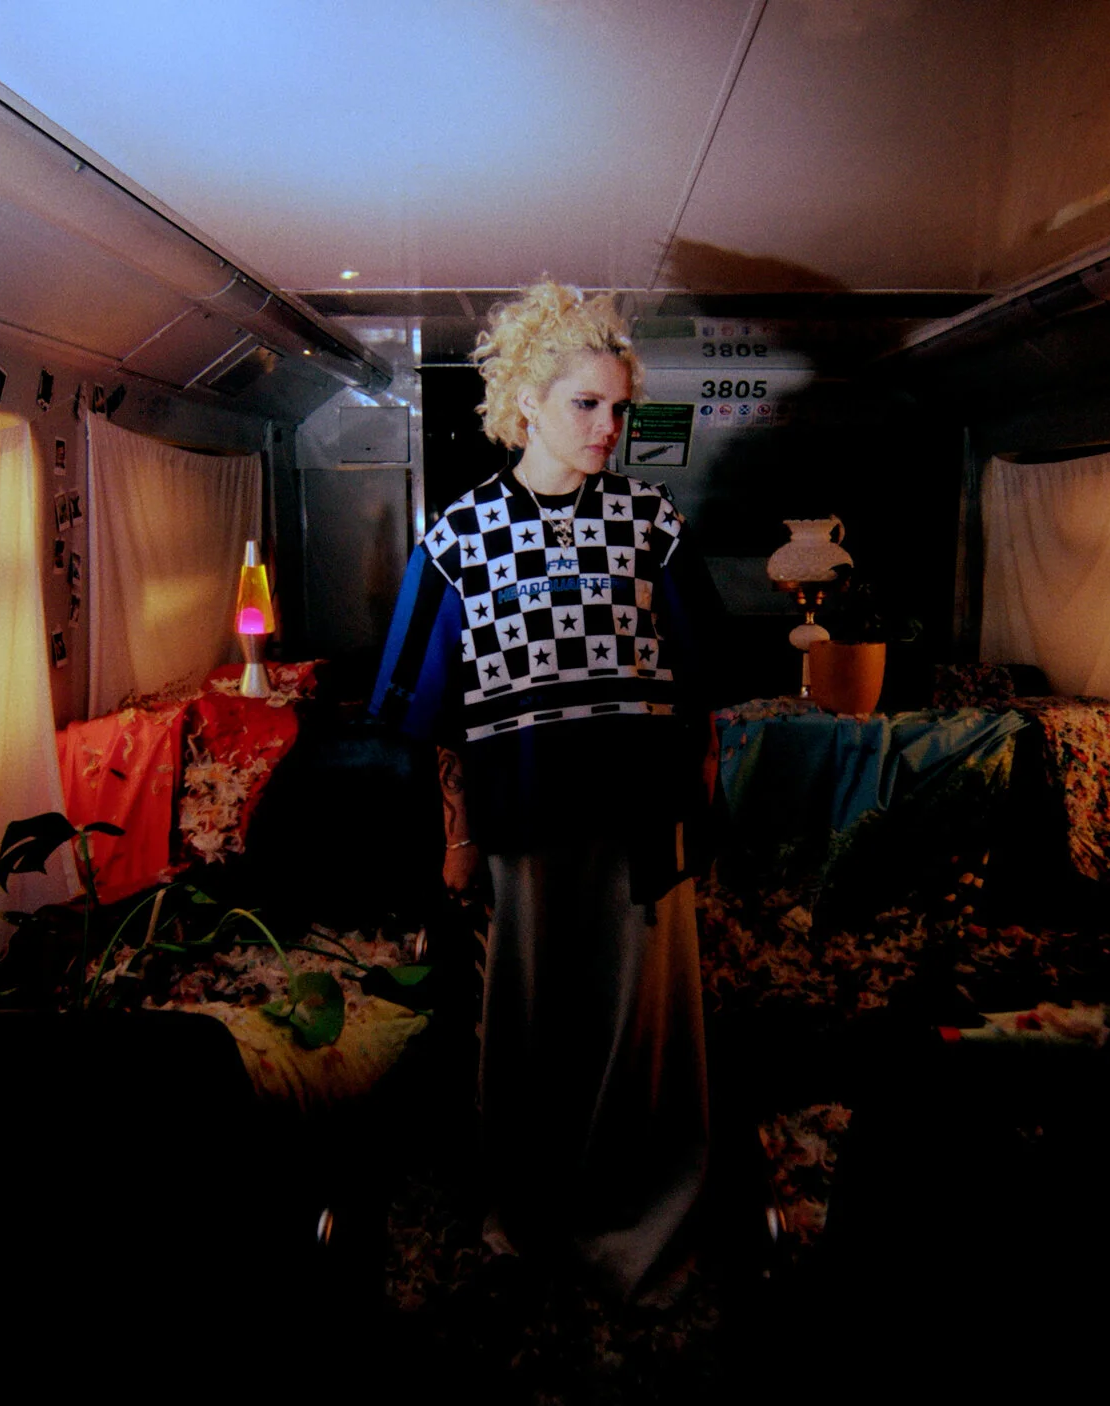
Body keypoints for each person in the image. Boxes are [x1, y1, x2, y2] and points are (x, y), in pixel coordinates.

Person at [371, 281, 723, 1298]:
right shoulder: (459, 538)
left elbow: (700, 690)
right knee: (531, 1032)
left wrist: (700, 811)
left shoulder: (652, 523)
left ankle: (641, 1228)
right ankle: (533, 1223)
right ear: (526, 401)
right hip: (523, 821)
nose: (609, 426)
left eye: (619, 407)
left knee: (641, 1033)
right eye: (586, 404)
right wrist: (456, 839)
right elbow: (435, 717)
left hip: (643, 821)